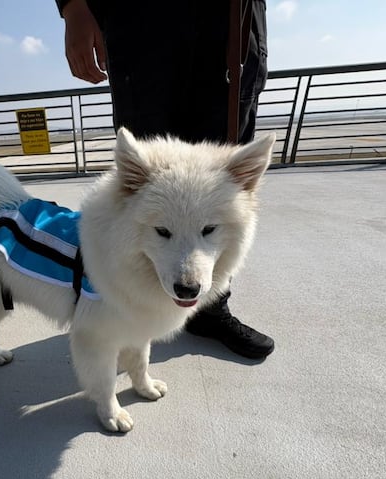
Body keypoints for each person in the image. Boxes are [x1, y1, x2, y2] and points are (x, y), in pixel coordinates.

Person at [56, 0, 274, 359]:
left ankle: (211, 311)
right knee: (144, 177)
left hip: (230, 26)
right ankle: (128, 309)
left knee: (220, 171)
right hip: (141, 26)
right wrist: (74, 6)